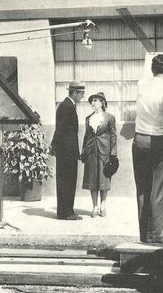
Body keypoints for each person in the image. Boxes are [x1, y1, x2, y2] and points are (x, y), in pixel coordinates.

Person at [132, 54, 163, 244]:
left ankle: (145, 235)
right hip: (159, 140)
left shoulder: (142, 84)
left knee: (143, 189)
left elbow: (154, 87)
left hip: (139, 139)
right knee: (159, 190)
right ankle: (157, 235)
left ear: (152, 69)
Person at [51, 81, 85, 220]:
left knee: (67, 181)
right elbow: (62, 131)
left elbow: (59, 129)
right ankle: (66, 213)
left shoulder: (67, 105)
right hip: (67, 152)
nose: (82, 97)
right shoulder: (67, 107)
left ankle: (66, 211)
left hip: (66, 151)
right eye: (81, 94)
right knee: (67, 182)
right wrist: (58, 147)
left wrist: (54, 146)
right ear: (75, 93)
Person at [81, 92, 117, 218]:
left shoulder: (109, 117)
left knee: (104, 178)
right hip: (91, 151)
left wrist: (113, 154)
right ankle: (94, 207)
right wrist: (83, 151)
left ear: (102, 102)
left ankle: (103, 205)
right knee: (92, 179)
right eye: (92, 100)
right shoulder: (88, 118)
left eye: (96, 100)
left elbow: (113, 136)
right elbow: (86, 136)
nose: (93, 103)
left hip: (104, 152)